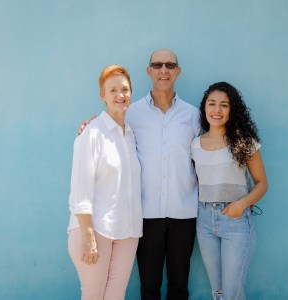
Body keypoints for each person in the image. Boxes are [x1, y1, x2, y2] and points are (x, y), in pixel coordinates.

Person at [77, 49, 199, 300]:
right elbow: (108, 127)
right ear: (149, 71)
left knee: (179, 287)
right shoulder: (131, 113)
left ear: (178, 71)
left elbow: (207, 153)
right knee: (149, 288)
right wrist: (87, 127)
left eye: (169, 65)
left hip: (184, 213)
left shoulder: (193, 116)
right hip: (146, 216)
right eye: (157, 65)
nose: (163, 70)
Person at [67, 65, 143, 300]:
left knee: (115, 296)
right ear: (102, 96)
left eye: (125, 89)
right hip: (95, 229)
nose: (120, 95)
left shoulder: (129, 134)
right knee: (93, 295)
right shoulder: (92, 133)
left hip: (127, 231)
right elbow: (80, 189)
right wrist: (89, 235)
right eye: (113, 90)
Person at [191, 81, 268, 300]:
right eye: (212, 104)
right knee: (218, 292)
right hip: (204, 221)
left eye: (224, 105)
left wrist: (242, 204)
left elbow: (262, 183)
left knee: (232, 293)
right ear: (204, 107)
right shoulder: (194, 144)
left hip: (235, 221)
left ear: (231, 109)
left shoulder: (244, 142)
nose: (217, 110)